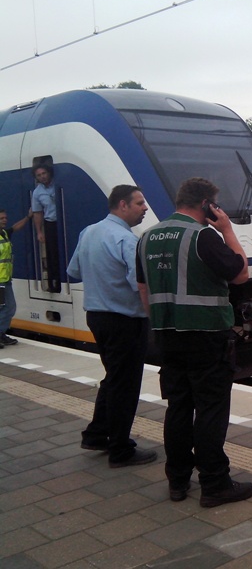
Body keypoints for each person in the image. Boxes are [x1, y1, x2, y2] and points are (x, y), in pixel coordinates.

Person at [137, 177, 252, 508]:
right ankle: (215, 484)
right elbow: (241, 273)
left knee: (177, 407)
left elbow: (143, 289)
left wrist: (161, 323)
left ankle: (177, 480)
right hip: (205, 337)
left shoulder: (146, 238)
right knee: (209, 410)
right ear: (206, 204)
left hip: (165, 336)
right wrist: (228, 230)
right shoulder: (202, 235)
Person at [67, 185, 157, 468]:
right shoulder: (128, 241)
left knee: (114, 377)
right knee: (125, 385)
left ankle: (96, 434)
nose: (145, 208)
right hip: (125, 321)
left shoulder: (88, 232)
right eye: (140, 203)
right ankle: (121, 449)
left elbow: (74, 272)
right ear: (122, 205)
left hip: (96, 316)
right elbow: (138, 285)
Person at [0, 208, 32, 349]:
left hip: (5, 280)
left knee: (7, 308)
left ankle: (1, 334)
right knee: (7, 308)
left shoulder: (4, 234)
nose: (5, 220)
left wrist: (28, 217)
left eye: (5, 218)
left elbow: (15, 228)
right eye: (1, 218)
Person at [31, 164, 61, 293]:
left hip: (63, 221)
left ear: (49, 173)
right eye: (39, 175)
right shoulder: (37, 192)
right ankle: (54, 283)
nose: (42, 177)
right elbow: (38, 213)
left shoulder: (58, 183)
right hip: (51, 223)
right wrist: (39, 232)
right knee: (52, 254)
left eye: (44, 173)